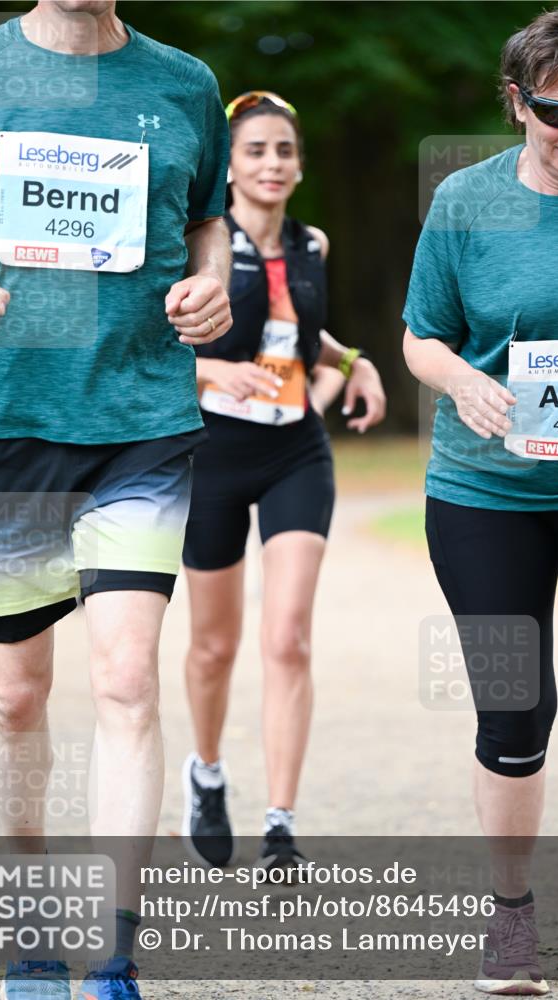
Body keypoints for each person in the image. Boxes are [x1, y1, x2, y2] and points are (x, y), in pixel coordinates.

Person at [0, 2, 231, 997]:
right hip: (1, 417)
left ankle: (112, 954)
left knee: (124, 680)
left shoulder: (183, 83)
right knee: (18, 694)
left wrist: (210, 279)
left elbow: (206, 218)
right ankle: (28, 935)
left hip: (138, 418)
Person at [402, 5, 558, 995]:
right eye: (555, 113)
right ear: (514, 102)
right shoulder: (465, 201)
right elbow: (419, 336)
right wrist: (460, 381)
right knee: (514, 712)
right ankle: (513, 920)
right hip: (482, 494)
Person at [179, 90, 386, 874]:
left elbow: (298, 335)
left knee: (288, 637)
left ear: (298, 164)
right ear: (227, 166)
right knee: (212, 647)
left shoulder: (312, 245)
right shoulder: (196, 246)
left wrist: (350, 361)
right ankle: (205, 772)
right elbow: (144, 344)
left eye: (283, 151)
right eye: (255, 150)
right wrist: (209, 370)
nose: (272, 163)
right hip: (212, 457)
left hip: (296, 450)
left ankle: (279, 828)